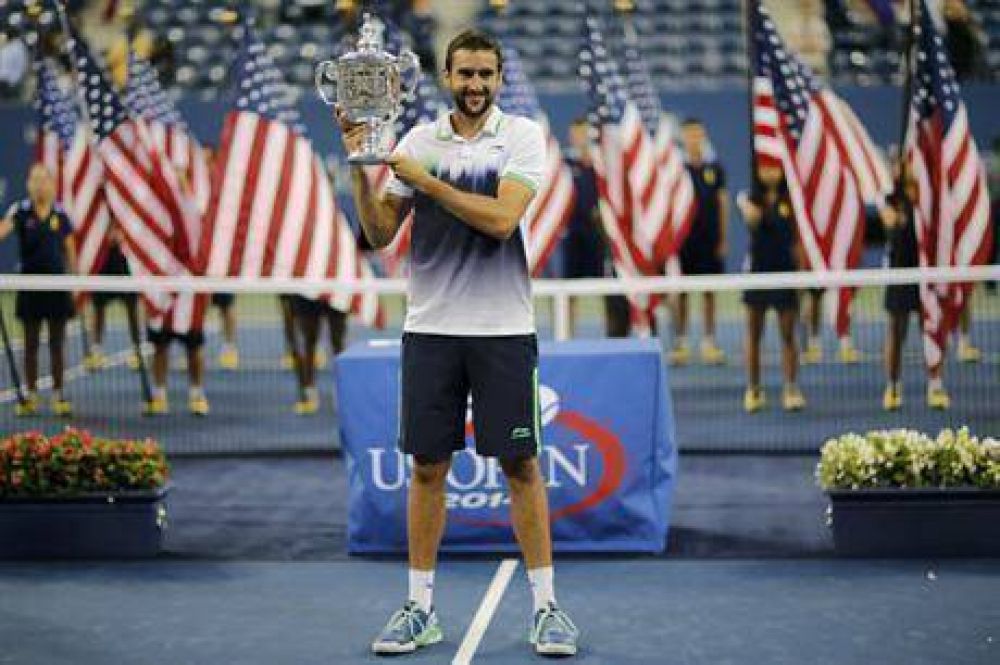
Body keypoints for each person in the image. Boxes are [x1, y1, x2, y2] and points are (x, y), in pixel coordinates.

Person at [336, 29, 579, 657]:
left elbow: (501, 222)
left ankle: (547, 608)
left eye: (485, 75)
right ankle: (419, 608)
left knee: (522, 467)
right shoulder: (416, 139)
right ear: (447, 76)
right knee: (426, 468)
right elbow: (380, 233)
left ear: (498, 80)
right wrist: (361, 167)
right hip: (430, 331)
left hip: (502, 332)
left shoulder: (520, 137)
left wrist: (425, 178)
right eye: (465, 74)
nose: (475, 85)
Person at [0, 163, 77, 416]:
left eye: (44, 179)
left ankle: (59, 395)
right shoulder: (20, 212)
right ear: (28, 184)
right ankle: (31, 395)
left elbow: (70, 250)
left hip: (56, 289)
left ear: (52, 184)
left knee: (57, 344)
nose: (39, 184)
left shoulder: (60, 214)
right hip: (29, 288)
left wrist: (77, 281)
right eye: (34, 179)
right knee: (30, 344)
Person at [736, 163, 806, 413]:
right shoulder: (749, 200)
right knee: (754, 335)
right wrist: (749, 207)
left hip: (785, 275)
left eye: (775, 168)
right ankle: (753, 389)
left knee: (788, 335)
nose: (770, 173)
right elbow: (751, 219)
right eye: (765, 168)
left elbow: (798, 239)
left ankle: (791, 389)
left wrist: (801, 278)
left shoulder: (792, 199)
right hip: (757, 276)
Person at [881, 167, 950, 410]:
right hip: (901, 276)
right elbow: (889, 226)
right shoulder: (891, 202)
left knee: (931, 329)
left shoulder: (930, 198)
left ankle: (936, 384)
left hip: (927, 274)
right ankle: (892, 386)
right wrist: (897, 217)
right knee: (896, 334)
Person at [670, 117, 728, 365]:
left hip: (709, 240)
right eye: (690, 134)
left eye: (698, 134)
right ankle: (681, 342)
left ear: (703, 137)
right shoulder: (675, 169)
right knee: (681, 293)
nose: (694, 139)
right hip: (684, 242)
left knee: (708, 293)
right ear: (683, 137)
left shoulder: (715, 169)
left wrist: (723, 238)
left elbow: (723, 204)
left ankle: (709, 341)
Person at [562, 116, 626, 337]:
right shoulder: (564, 166)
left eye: (583, 133)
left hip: (599, 237)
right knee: (569, 290)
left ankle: (609, 335)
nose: (579, 138)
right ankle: (567, 335)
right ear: (571, 136)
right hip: (573, 235)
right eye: (575, 133)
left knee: (606, 289)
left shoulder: (602, 166)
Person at [84, 225, 142, 372]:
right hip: (102, 259)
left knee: (132, 309)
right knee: (98, 308)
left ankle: (137, 350)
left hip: (125, 260)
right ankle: (96, 351)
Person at [288, 295, 347, 415]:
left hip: (337, 291)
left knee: (338, 343)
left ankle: (342, 392)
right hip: (306, 295)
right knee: (307, 342)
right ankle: (308, 392)